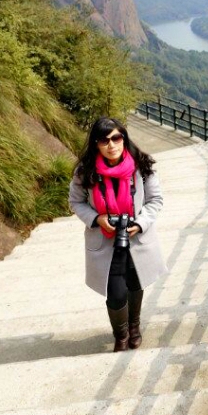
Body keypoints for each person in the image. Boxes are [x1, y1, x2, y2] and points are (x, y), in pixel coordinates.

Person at [69, 117, 169, 352]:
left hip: (136, 238)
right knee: (115, 293)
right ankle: (121, 335)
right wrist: (97, 219)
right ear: (96, 144)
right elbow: (76, 202)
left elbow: (155, 200)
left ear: (123, 138)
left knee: (135, 282)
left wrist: (140, 223)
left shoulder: (141, 166)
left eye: (116, 138)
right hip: (105, 240)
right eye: (104, 140)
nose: (111, 145)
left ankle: (134, 328)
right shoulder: (86, 172)